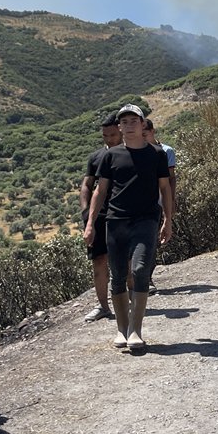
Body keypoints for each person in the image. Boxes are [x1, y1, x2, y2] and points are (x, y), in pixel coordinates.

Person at [84, 105, 173, 351]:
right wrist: (90, 223)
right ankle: (122, 331)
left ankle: (136, 330)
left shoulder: (157, 155)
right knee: (119, 275)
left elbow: (165, 188)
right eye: (125, 121)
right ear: (120, 126)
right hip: (115, 222)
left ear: (143, 124)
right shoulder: (110, 156)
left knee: (141, 268)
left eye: (134, 120)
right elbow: (99, 191)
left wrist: (168, 219)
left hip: (146, 220)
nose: (129, 124)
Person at [79, 114, 122, 322]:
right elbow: (87, 185)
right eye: (105, 135)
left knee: (127, 260)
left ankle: (131, 301)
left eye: (113, 135)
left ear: (121, 131)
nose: (109, 139)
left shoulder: (131, 154)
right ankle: (104, 307)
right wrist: (87, 214)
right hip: (99, 216)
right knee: (99, 261)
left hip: (125, 215)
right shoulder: (96, 157)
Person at [143, 119, 177, 294]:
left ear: (152, 131)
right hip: (140, 205)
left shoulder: (166, 151)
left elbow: (171, 179)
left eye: (145, 134)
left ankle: (147, 279)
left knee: (152, 243)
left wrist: (169, 203)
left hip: (157, 204)